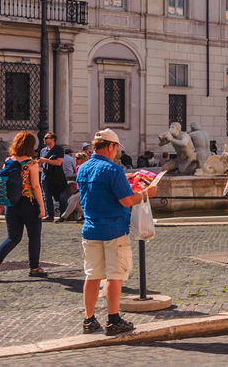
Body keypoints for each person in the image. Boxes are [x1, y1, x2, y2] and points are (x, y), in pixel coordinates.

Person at [77, 128, 159, 336]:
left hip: (90, 229)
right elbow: (126, 200)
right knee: (115, 275)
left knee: (92, 275)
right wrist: (146, 194)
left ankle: (88, 320)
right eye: (116, 149)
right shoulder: (113, 170)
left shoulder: (83, 168)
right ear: (111, 146)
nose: (116, 153)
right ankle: (113, 320)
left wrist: (126, 177)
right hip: (113, 230)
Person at [0, 131, 48, 281]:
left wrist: (0, 202)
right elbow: (35, 186)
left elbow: (3, 183)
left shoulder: (8, 161)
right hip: (29, 203)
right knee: (34, 237)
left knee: (13, 237)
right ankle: (34, 268)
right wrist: (42, 206)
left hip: (12, 204)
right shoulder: (31, 163)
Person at [38, 132, 68, 222]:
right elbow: (41, 163)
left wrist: (45, 160)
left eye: (46, 138)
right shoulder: (43, 150)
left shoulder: (58, 149)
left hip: (57, 177)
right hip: (45, 176)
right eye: (44, 138)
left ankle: (63, 215)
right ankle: (49, 215)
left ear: (53, 139)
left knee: (60, 196)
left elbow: (59, 162)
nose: (44, 139)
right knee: (46, 196)